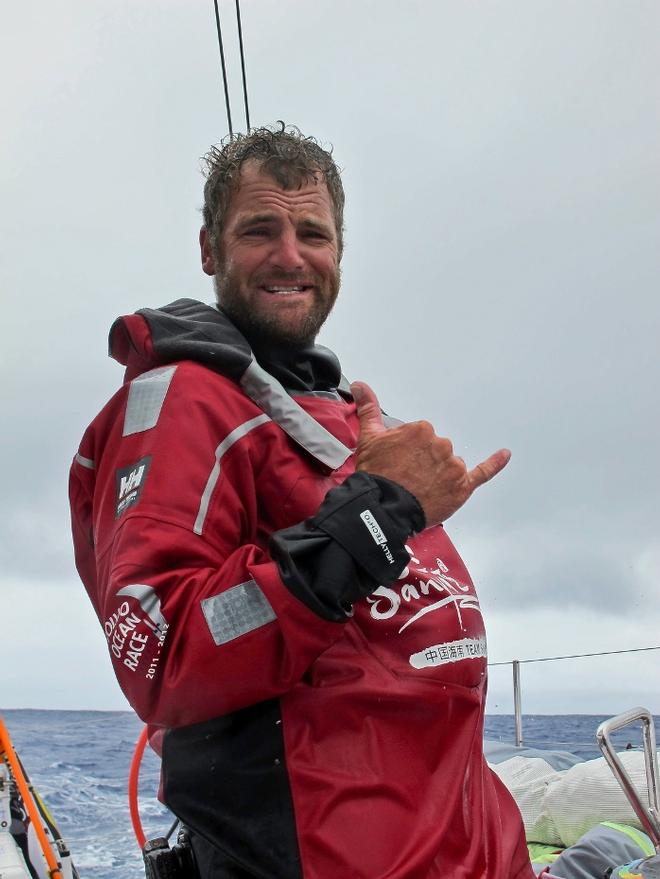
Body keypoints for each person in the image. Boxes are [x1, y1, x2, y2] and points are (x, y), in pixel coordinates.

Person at [69, 124, 534, 879]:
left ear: (339, 254)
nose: (291, 255)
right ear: (209, 251)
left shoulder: (338, 415)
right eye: (260, 229)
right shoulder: (185, 402)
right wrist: (379, 514)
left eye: (312, 232)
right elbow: (163, 648)